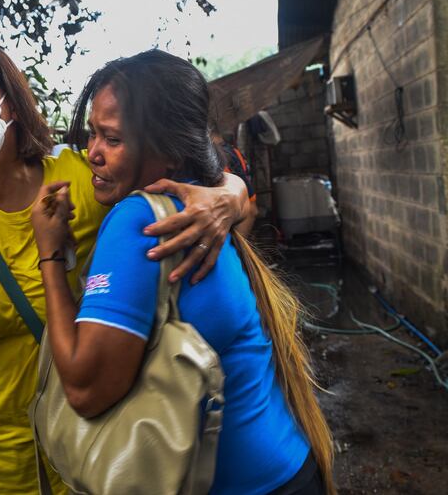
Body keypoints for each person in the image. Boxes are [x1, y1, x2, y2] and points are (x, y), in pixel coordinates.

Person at [0, 37, 251, 493]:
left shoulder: (79, 177)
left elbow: (187, 170)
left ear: (8, 99)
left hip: (89, 460)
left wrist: (227, 195)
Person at [30, 50, 334, 494]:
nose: (93, 154)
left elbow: (85, 389)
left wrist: (51, 258)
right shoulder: (205, 203)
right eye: (92, 134)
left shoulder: (139, 219)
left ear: (170, 154)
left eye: (111, 139)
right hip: (287, 469)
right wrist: (234, 190)